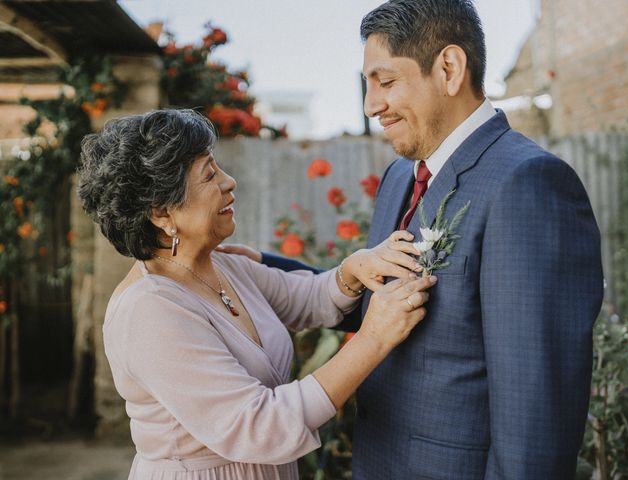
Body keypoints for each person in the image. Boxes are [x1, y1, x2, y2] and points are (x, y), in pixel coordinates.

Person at [229, 1, 604, 478]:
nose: (371, 105)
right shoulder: (399, 176)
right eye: (369, 85)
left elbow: (537, 404)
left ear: (448, 68)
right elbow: (377, 303)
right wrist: (252, 267)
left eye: (386, 82)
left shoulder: (528, 184)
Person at [77, 109, 438, 480]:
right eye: (209, 174)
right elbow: (257, 425)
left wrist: (355, 267)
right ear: (161, 212)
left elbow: (310, 298)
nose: (229, 182)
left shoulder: (222, 264)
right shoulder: (149, 311)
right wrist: (375, 338)